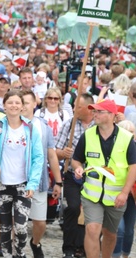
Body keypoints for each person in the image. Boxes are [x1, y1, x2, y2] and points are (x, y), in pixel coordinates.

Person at [71, 99, 136, 258]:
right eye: (94, 111)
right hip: (91, 195)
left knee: (110, 233)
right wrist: (78, 168)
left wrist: (124, 193)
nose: (94, 114)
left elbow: (134, 167)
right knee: (92, 229)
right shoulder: (87, 135)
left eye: (99, 111)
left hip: (116, 197)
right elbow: (76, 159)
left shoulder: (126, 137)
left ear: (111, 115)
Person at [0, 90, 43, 258]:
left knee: (21, 228)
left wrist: (33, 183)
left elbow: (38, 157)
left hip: (23, 184)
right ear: (4, 105)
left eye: (17, 103)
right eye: (10, 103)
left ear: (22, 106)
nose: (14, 106)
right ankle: (8, 255)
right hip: (2, 184)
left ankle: (20, 253)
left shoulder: (30, 128)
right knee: (5, 228)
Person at [22, 90, 63, 258]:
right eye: (20, 102)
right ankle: (15, 250)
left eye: (26, 102)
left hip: (38, 180)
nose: (22, 106)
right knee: (15, 221)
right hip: (16, 180)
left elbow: (51, 154)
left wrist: (58, 182)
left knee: (40, 222)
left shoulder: (43, 126)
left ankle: (35, 243)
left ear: (34, 104)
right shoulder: (9, 124)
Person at [55, 93, 95, 258]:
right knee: (72, 207)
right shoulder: (69, 125)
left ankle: (83, 247)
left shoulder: (98, 125)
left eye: (77, 106)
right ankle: (69, 248)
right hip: (72, 175)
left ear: (88, 108)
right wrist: (63, 153)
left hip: (93, 176)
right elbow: (55, 152)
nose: (73, 109)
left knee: (90, 210)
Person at [112, 120, 136, 258]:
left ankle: (125, 255)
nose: (130, 134)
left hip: (134, 195)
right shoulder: (113, 148)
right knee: (119, 229)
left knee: (128, 231)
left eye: (132, 131)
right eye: (127, 131)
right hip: (115, 193)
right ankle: (115, 255)